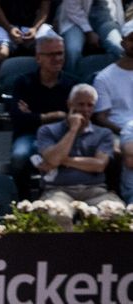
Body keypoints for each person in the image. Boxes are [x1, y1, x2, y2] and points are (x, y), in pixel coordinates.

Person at [6, 32, 73, 197]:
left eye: (60, 53)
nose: (57, 58)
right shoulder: (23, 83)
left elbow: (75, 119)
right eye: (51, 54)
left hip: (60, 136)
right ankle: (24, 199)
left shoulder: (72, 84)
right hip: (29, 135)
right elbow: (19, 118)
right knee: (19, 156)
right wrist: (56, 115)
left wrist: (36, 116)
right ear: (38, 58)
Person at [36, 83, 121, 208]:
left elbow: (99, 165)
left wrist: (63, 160)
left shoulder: (104, 133)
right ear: (70, 104)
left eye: (90, 105)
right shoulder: (47, 130)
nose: (85, 109)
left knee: (115, 213)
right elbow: (53, 160)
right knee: (57, 214)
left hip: (95, 191)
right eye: (81, 104)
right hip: (58, 191)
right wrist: (73, 130)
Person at [91, 30, 133, 203]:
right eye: (132, 39)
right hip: (117, 130)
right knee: (117, 151)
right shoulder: (104, 77)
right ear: (123, 43)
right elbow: (101, 117)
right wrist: (126, 132)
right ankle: (118, 197)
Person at [57, 0, 125, 74]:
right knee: (73, 51)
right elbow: (72, 8)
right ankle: (71, 80)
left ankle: (83, 66)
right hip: (75, 20)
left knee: (119, 50)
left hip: (105, 18)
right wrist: (88, 31)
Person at [0, 0, 51, 69]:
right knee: (0, 55)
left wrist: (35, 29)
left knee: (50, 50)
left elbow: (44, 10)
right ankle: (1, 78)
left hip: (32, 25)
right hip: (4, 24)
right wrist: (9, 29)